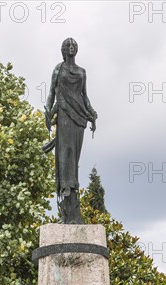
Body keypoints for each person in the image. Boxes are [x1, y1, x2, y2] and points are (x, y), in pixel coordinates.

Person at [44, 38, 97, 224]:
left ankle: (73, 209)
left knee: (74, 159)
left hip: (79, 116)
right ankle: (68, 204)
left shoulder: (82, 72)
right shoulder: (58, 70)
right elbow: (52, 92)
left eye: (74, 45)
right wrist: (48, 113)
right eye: (68, 45)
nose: (71, 47)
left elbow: (84, 95)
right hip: (64, 114)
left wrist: (91, 112)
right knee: (66, 154)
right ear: (63, 50)